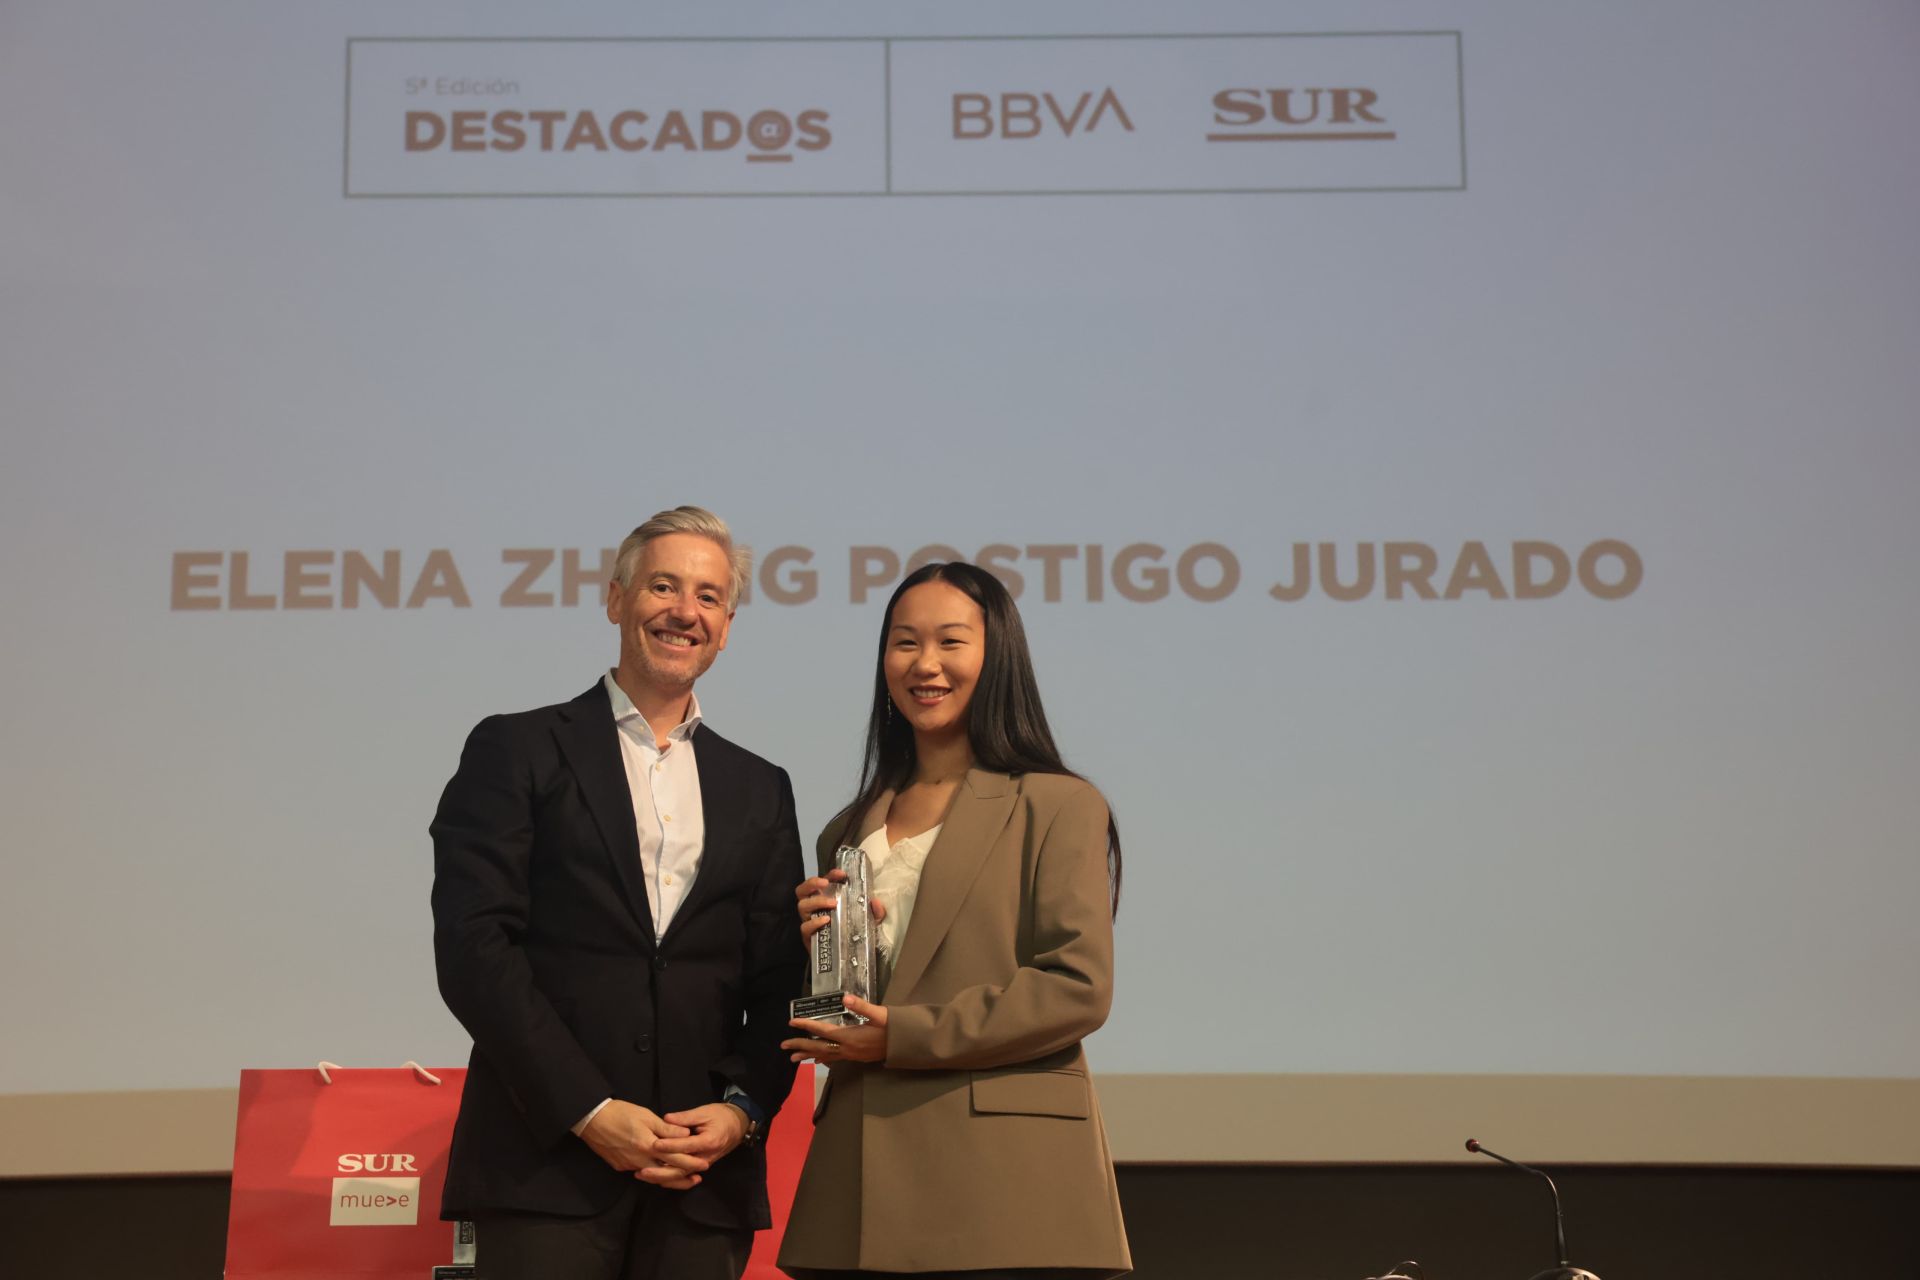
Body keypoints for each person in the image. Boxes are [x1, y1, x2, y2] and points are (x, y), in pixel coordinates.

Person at [431, 505, 806, 1280]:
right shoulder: (518, 747)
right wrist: (590, 1112)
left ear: (728, 625)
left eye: (707, 597)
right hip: (546, 1168)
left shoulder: (760, 787)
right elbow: (474, 948)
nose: (684, 612)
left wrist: (741, 1111)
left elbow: (780, 981)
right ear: (616, 600)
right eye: (662, 586)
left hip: (701, 1182)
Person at [777, 561, 1131, 1280]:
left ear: (996, 655)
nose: (925, 664)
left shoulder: (1057, 804)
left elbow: (1077, 986)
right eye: (905, 643)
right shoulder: (846, 828)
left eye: (951, 642)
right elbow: (852, 1002)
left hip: (1008, 1189)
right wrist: (808, 949)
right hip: (862, 1176)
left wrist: (899, 1036)